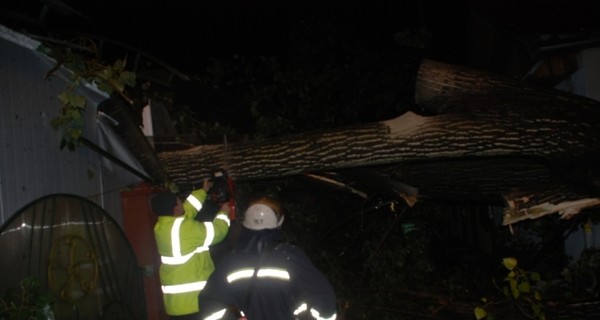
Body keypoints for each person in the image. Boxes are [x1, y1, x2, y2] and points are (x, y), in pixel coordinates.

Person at [198, 197, 338, 320]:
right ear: (279, 222)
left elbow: (209, 305)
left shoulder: (230, 263)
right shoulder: (291, 257)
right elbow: (326, 306)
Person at [151, 179, 231, 319]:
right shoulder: (184, 230)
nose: (182, 202)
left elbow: (188, 209)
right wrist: (224, 213)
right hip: (194, 302)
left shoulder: (162, 225)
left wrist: (203, 190)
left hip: (177, 305)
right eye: (179, 201)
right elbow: (217, 232)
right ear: (175, 209)